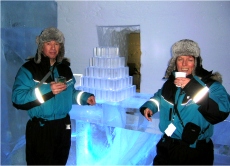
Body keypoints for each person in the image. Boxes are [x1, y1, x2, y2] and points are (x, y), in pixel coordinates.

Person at [12, 27, 96, 165]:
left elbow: (70, 93)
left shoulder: (65, 68)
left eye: (56, 44)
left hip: (63, 126)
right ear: (41, 46)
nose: (53, 48)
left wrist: (84, 97)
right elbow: (17, 98)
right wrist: (48, 90)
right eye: (48, 43)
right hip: (41, 128)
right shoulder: (29, 69)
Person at [139, 39, 230, 165]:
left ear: (197, 62)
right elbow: (160, 97)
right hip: (167, 145)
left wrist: (192, 87)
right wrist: (150, 107)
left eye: (190, 59)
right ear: (175, 62)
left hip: (195, 151)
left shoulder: (211, 85)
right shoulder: (171, 83)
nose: (184, 63)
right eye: (180, 59)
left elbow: (221, 112)